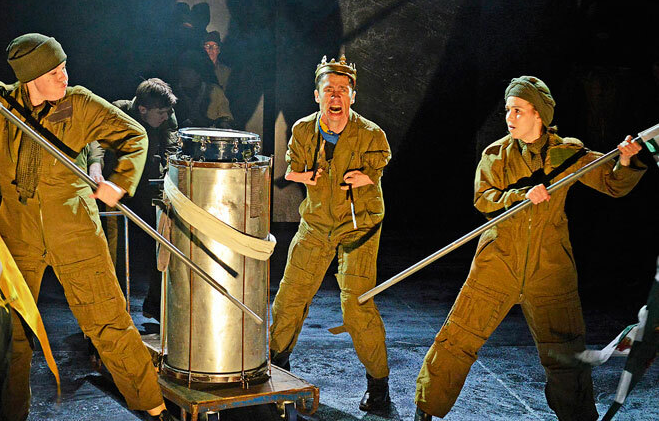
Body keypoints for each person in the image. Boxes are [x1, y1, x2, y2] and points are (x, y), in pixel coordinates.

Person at [0, 33, 172, 421]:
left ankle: (153, 407)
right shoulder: (1, 102)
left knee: (107, 321)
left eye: (63, 67)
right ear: (31, 78)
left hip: (74, 227)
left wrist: (120, 181)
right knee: (12, 334)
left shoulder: (79, 103)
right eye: (55, 70)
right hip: (16, 229)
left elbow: (133, 135)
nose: (64, 75)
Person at [413, 76, 645, 421]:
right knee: (457, 338)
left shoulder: (568, 153)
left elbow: (611, 183)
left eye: (518, 110)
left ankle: (577, 415)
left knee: (566, 351)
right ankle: (425, 408)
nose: (510, 116)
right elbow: (483, 199)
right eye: (508, 109)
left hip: (550, 267)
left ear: (539, 115)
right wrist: (521, 196)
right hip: (497, 263)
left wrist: (625, 161)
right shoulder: (496, 154)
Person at [269, 55, 392, 414]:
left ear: (352, 96)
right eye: (329, 90)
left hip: (360, 226)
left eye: (342, 90)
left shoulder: (371, 133)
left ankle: (379, 386)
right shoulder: (304, 130)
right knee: (291, 294)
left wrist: (368, 177)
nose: (335, 96)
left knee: (356, 303)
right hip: (317, 223)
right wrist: (300, 176)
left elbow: (380, 162)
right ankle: (278, 366)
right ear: (317, 95)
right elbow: (292, 166)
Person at [90, 78, 178, 321]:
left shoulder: (167, 117)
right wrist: (95, 165)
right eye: (160, 112)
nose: (165, 116)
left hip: (149, 184)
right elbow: (96, 141)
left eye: (167, 111)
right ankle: (114, 309)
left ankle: (156, 305)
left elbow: (171, 150)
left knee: (162, 244)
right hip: (118, 184)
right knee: (114, 249)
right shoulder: (117, 110)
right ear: (142, 109)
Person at [175, 50, 233, 128]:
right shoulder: (174, 92)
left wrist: (222, 123)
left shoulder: (214, 91)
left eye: (188, 72)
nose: (183, 75)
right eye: (181, 71)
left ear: (198, 74)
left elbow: (226, 117)